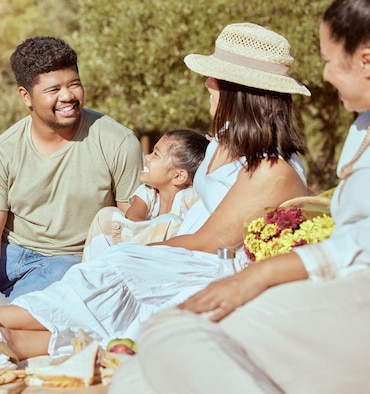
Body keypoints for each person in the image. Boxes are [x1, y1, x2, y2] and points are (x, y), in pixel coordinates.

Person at [0, 22, 311, 361]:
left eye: (216, 79)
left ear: (240, 92)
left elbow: (213, 239)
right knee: (111, 272)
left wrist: (140, 249)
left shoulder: (271, 167)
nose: (207, 84)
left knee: (114, 270)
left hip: (214, 259)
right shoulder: (224, 140)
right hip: (189, 246)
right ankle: (3, 333)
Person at [111, 3, 370, 392]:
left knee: (170, 329)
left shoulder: (273, 167)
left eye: (329, 61)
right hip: (337, 282)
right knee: (133, 377)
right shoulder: (362, 127)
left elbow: (356, 246)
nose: (325, 74)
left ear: (366, 60)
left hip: (353, 292)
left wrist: (256, 277)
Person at [0, 36, 144, 299]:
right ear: (26, 96)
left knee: (45, 292)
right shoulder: (0, 153)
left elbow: (134, 227)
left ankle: (7, 318)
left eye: (74, 85)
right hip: (9, 252)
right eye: (53, 90)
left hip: (68, 260)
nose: (67, 96)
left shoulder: (117, 142)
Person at [83, 128, 209, 261]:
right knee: (106, 214)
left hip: (168, 260)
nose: (147, 157)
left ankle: (124, 256)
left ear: (178, 176)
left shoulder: (190, 197)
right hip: (136, 245)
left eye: (156, 154)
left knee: (171, 221)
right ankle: (94, 271)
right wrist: (148, 232)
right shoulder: (148, 191)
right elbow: (132, 217)